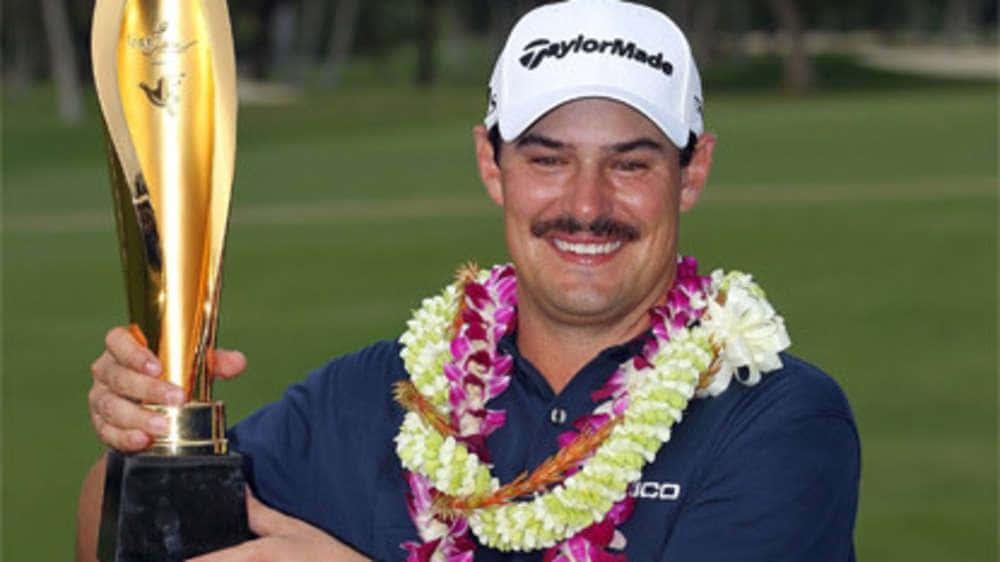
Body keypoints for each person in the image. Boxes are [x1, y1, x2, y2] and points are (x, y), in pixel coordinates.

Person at [77, 1, 860, 560]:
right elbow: (115, 537)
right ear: (493, 166)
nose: (586, 206)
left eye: (631, 163)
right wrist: (149, 437)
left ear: (692, 174)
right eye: (548, 159)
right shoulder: (372, 395)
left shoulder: (777, 421)